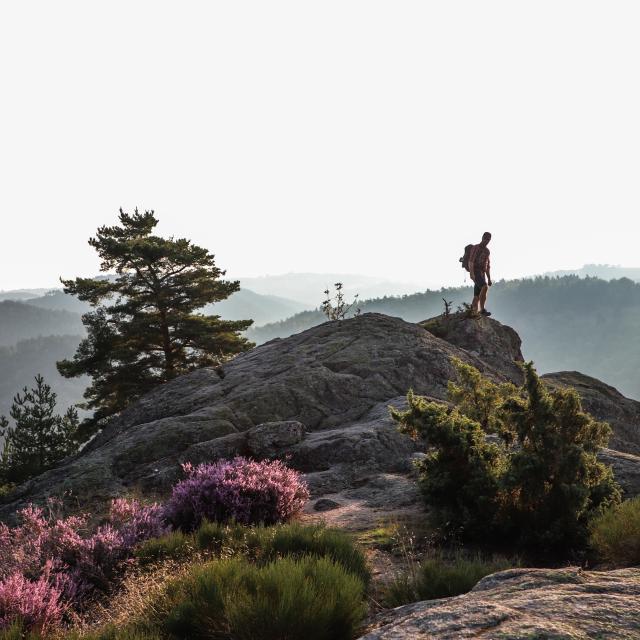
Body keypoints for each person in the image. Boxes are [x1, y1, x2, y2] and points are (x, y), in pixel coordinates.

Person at [469, 232, 492, 316]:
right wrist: (472, 274)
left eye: (488, 240)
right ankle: (482, 310)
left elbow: (487, 265)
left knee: (477, 295)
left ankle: (472, 312)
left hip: (482, 273)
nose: (487, 241)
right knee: (484, 287)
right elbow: (471, 261)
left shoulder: (487, 251)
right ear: (482, 238)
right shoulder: (476, 248)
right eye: (486, 239)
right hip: (475, 271)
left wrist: (489, 278)